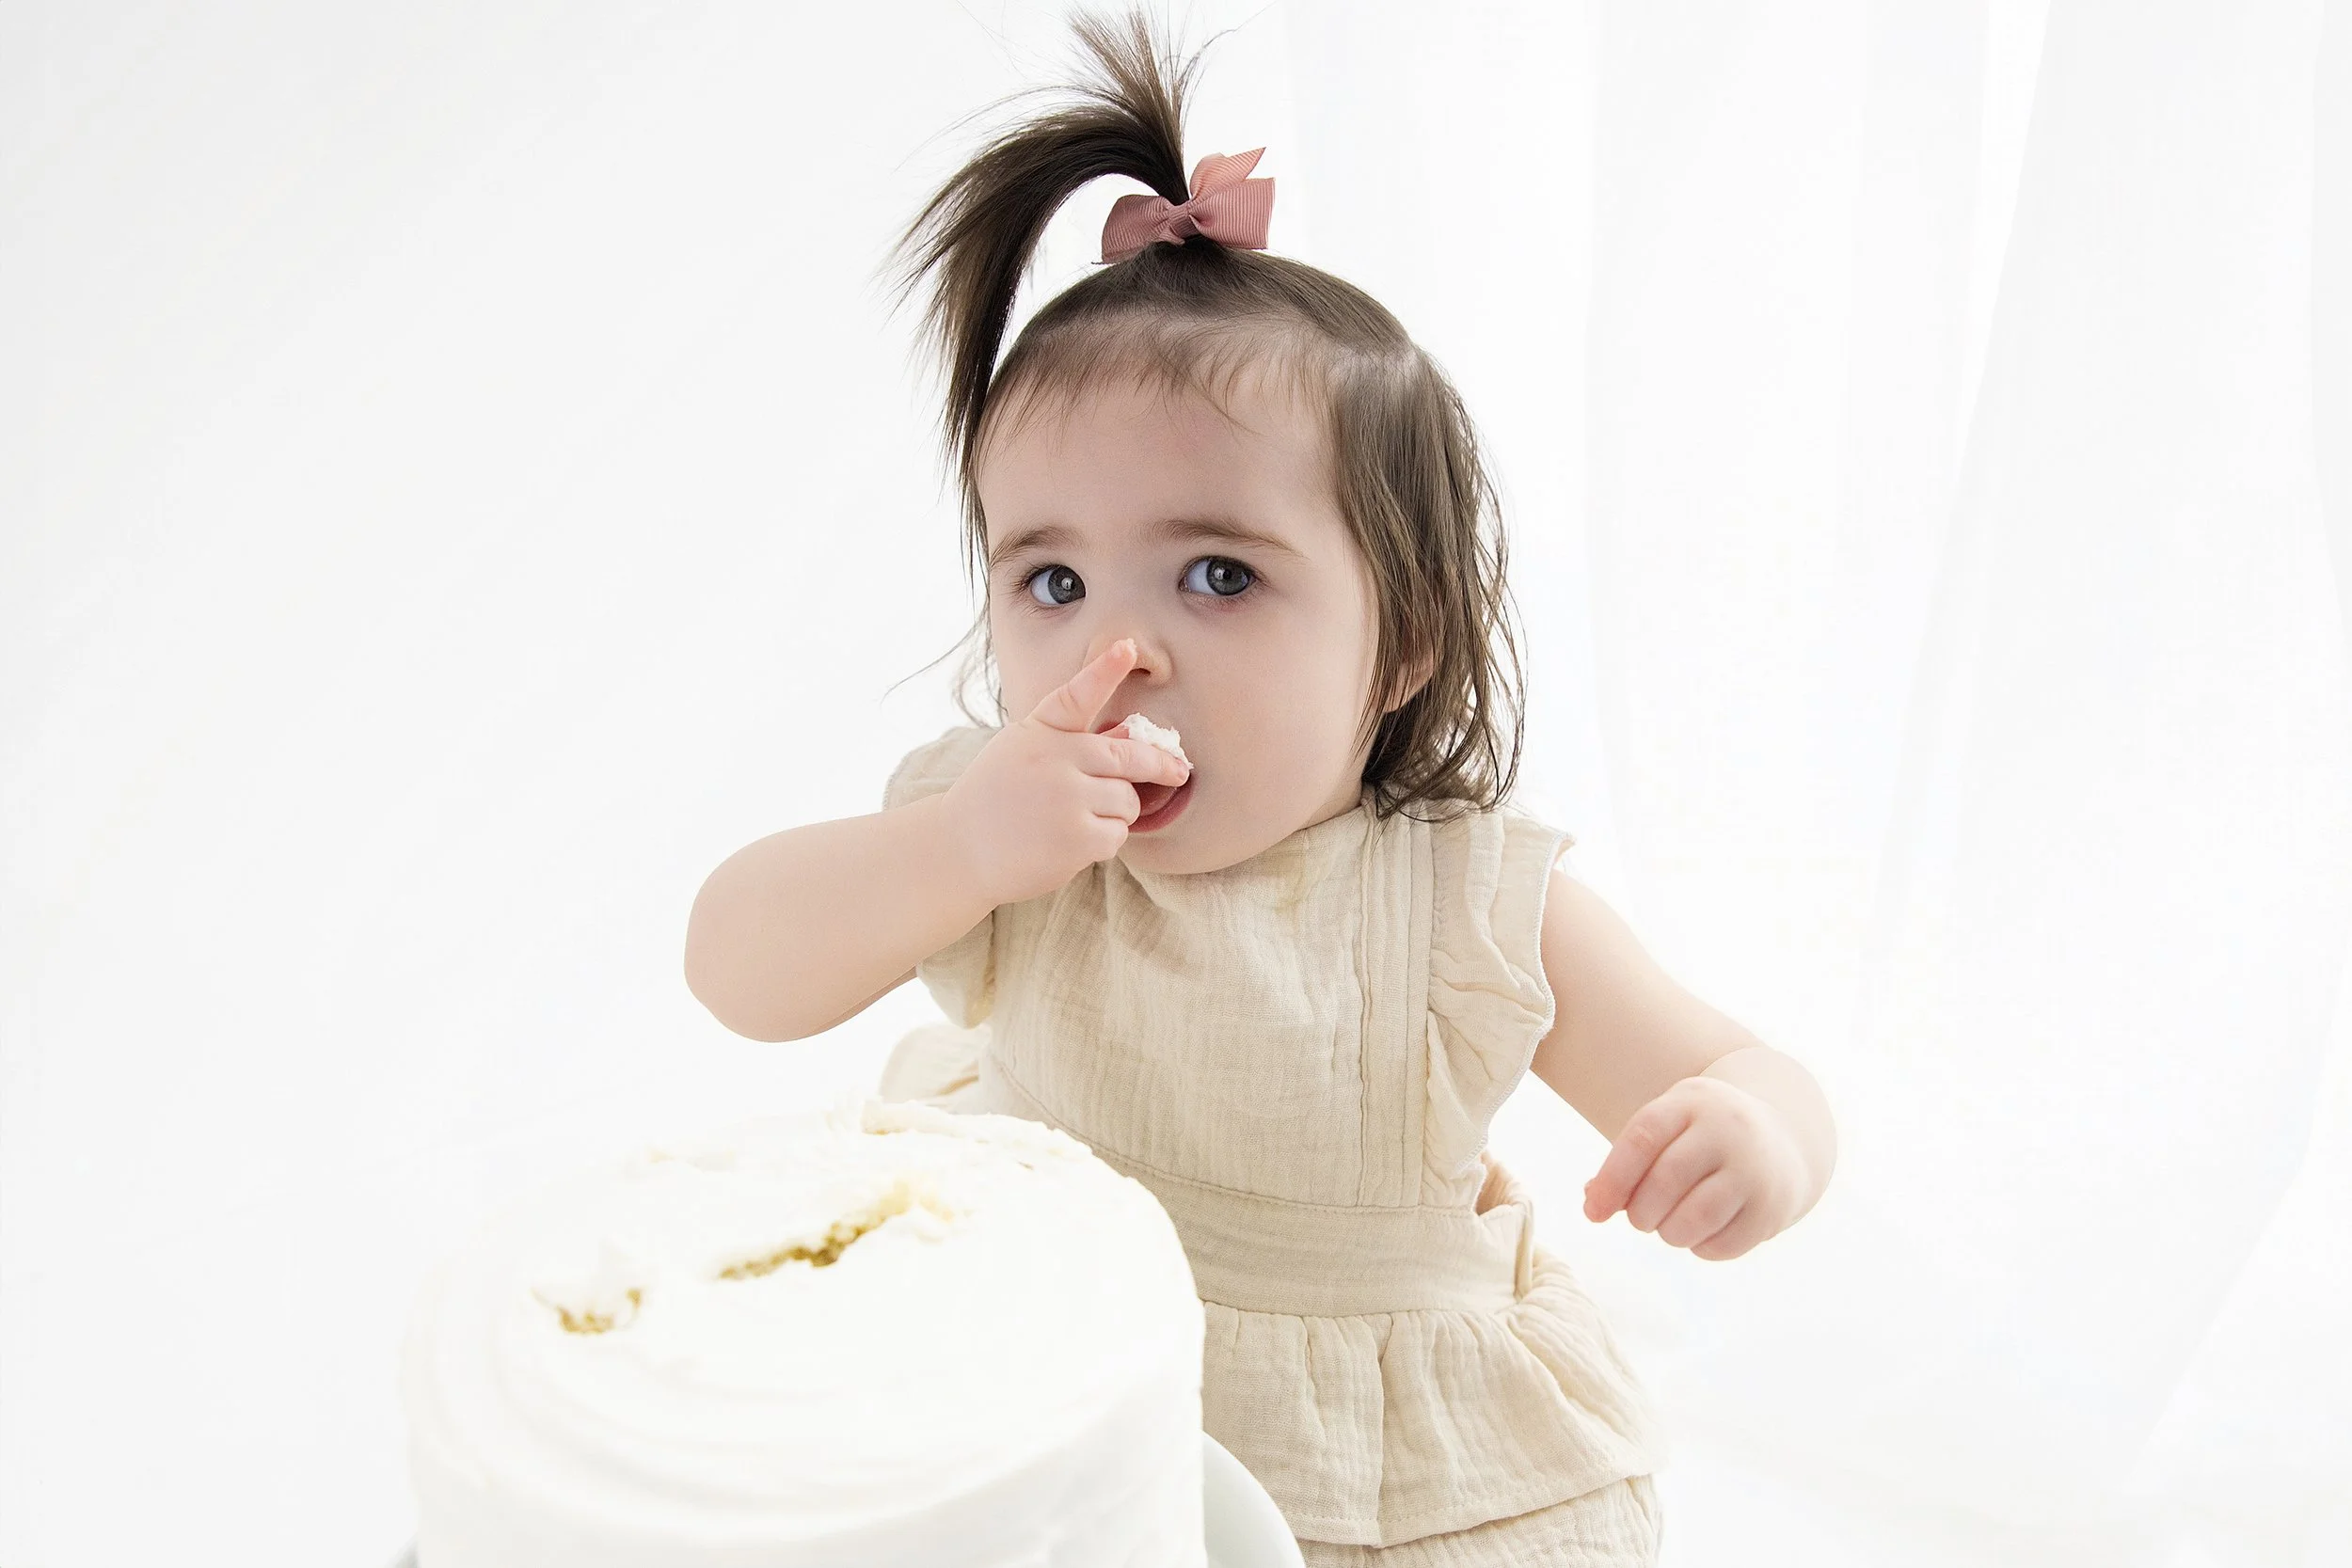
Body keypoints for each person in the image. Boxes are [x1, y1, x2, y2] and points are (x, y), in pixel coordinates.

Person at [683, 10, 1837, 1563]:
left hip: (1366, 1460)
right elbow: (734, 964)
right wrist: (955, 848)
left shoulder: (1468, 903)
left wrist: (1755, 1135)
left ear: (1405, 636)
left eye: (1218, 573)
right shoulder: (1008, 833)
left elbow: (1743, 1064)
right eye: (1051, 580)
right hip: (1039, 1359)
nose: (1121, 648)